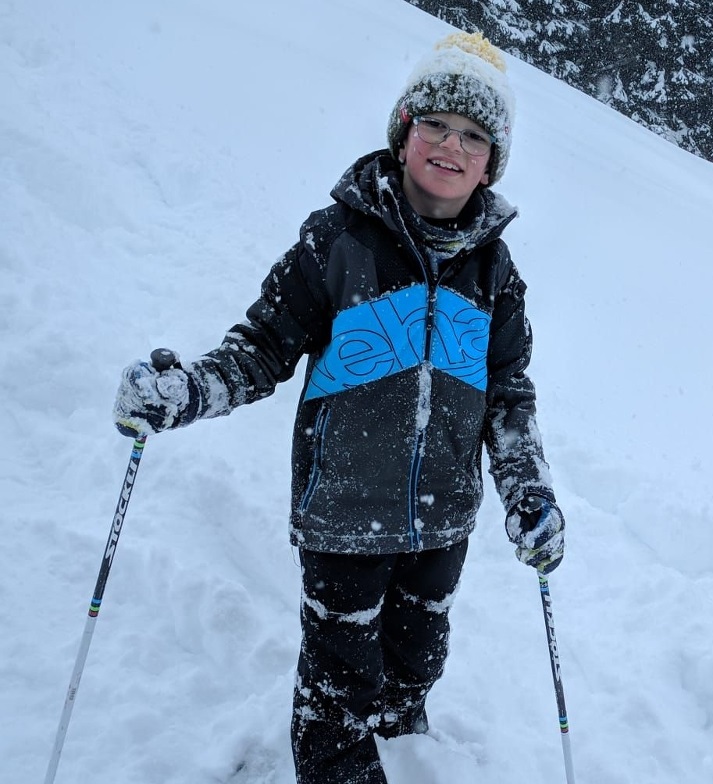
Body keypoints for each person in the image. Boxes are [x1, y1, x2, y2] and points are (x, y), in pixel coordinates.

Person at [111, 31, 565, 784]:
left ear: (494, 161)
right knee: (337, 683)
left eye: (475, 136)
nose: (451, 146)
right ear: (403, 128)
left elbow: (509, 398)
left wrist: (529, 488)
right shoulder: (336, 241)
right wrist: (189, 390)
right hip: (344, 516)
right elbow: (261, 347)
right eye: (437, 125)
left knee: (417, 658)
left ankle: (407, 744)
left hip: (443, 516)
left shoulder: (495, 273)